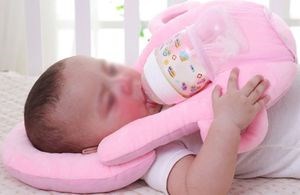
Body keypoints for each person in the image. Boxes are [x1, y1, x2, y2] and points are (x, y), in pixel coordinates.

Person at [25, 55, 273, 195]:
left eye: (111, 69)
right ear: (97, 146)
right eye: (110, 101)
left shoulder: (166, 76)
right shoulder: (154, 152)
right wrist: (227, 124)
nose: (124, 81)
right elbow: (198, 189)